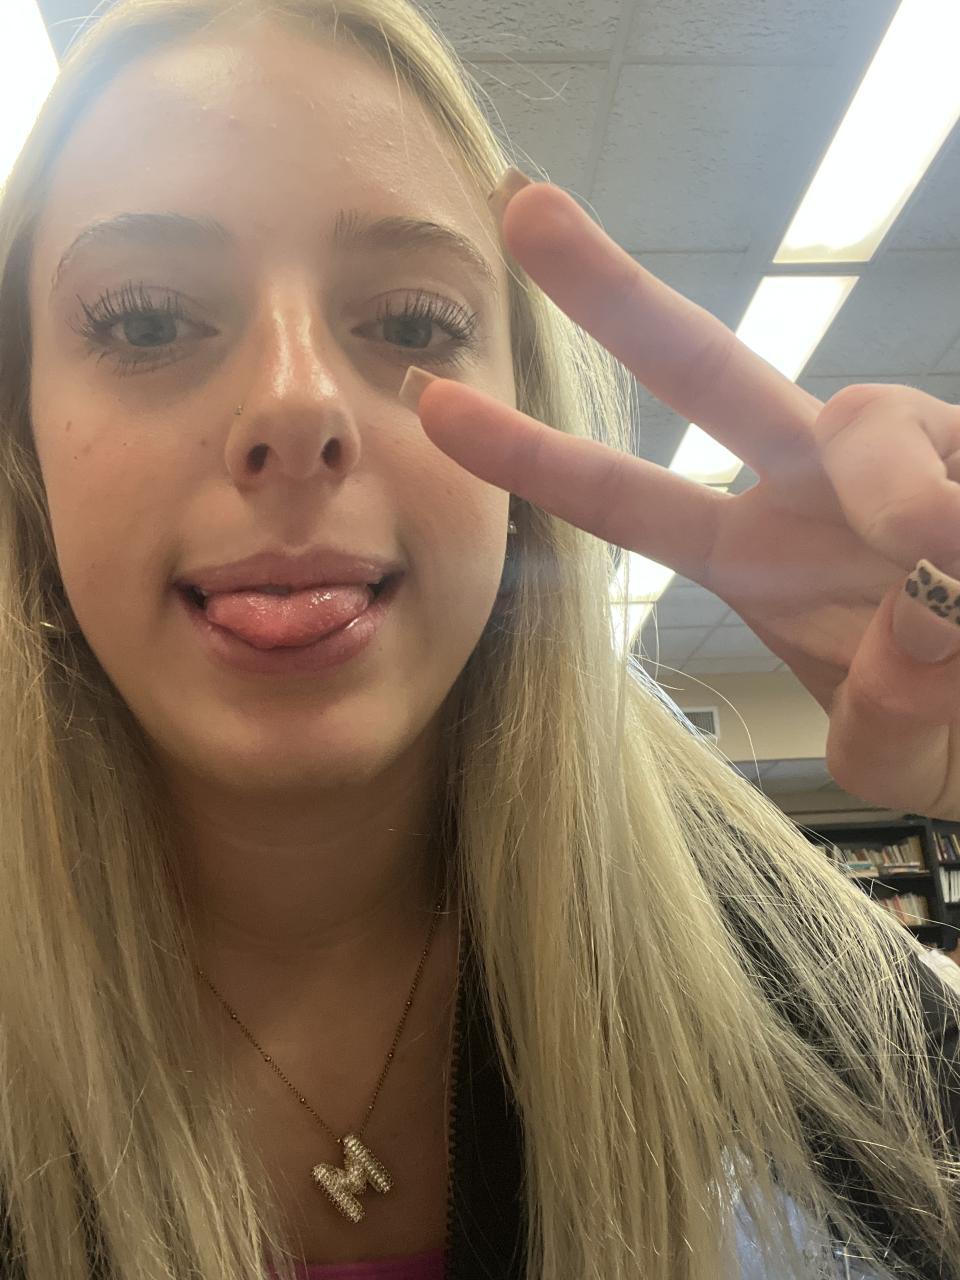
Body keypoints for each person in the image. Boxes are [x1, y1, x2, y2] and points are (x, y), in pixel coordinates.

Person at [0, 1, 958, 1278]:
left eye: (409, 322)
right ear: (23, 440)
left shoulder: (770, 961)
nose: (294, 405)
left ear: (525, 437)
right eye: (144, 320)